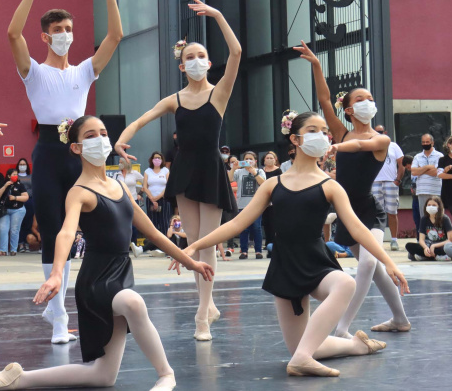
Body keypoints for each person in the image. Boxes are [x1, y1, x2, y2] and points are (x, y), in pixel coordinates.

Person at [0, 116, 212, 391]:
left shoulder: (120, 186)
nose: (100, 139)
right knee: (133, 303)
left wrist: (190, 261)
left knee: (102, 375)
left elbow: (154, 234)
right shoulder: (78, 192)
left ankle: (19, 379)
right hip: (98, 279)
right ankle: (166, 374)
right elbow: (66, 233)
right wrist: (57, 274)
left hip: (121, 272)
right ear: (76, 148)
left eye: (103, 133)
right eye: (90, 136)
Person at [171, 112, 409, 378]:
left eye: (324, 131)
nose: (321, 135)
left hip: (317, 262)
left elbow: (358, 228)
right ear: (295, 139)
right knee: (300, 346)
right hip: (284, 267)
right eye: (312, 129)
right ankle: (356, 345)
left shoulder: (331, 185)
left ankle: (303, 359)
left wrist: (388, 262)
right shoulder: (273, 184)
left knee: (345, 283)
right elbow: (236, 225)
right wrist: (193, 247)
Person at [7, 0, 122, 344]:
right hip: (48, 153)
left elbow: (116, 36)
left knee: (78, 235)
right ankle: (58, 319)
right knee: (54, 228)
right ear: (45, 36)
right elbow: (12, 34)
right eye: (57, 31)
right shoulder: (35, 72)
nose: (65, 36)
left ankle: (74, 307)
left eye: (68, 30)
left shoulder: (85, 71)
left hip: (79, 152)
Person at [115, 0, 240, 341]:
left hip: (211, 169)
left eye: (201, 56)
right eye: (190, 58)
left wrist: (216, 15)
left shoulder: (220, 93)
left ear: (209, 62)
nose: (196, 61)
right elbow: (142, 119)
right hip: (184, 170)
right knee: (195, 240)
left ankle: (204, 311)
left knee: (208, 242)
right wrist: (121, 141)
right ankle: (206, 306)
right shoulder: (176, 99)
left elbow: (238, 53)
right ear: (181, 66)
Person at [293, 41, 411, 338]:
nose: (367, 101)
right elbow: (323, 100)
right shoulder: (341, 129)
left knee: (370, 262)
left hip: (369, 209)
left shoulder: (381, 139)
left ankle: (342, 327)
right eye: (360, 98)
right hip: (346, 211)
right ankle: (400, 319)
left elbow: (361, 145)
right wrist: (317, 66)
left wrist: (337, 145)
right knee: (376, 270)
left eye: (369, 97)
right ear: (348, 109)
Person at [371, 126, 405, 251]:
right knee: (376, 213)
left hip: (391, 182)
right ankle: (377, 241)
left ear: (385, 133)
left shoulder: (394, 146)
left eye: (380, 132)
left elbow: (402, 163)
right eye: (376, 132)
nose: (378, 134)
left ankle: (394, 240)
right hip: (375, 182)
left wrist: (398, 180)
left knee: (392, 212)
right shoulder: (371, 144)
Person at [231, 152, 265, 259]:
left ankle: (258, 251)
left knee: (256, 228)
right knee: (243, 228)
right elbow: (229, 180)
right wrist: (233, 168)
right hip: (242, 204)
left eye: (251, 159)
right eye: (246, 159)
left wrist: (253, 172)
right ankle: (244, 251)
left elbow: (263, 183)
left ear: (255, 161)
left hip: (256, 204)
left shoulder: (259, 171)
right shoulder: (239, 172)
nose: (248, 161)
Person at [404, 196, 452, 261]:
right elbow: (421, 240)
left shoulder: (445, 219)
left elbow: (450, 239)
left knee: (449, 249)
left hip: (440, 246)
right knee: (409, 246)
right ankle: (433, 256)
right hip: (428, 245)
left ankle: (424, 257)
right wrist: (425, 248)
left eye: (434, 205)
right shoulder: (424, 219)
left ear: (439, 207)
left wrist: (434, 246)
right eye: (429, 205)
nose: (431, 207)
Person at [0, 168, 29, 256]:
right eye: (13, 174)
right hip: (4, 210)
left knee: (14, 230)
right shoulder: (3, 184)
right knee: (3, 229)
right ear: (9, 176)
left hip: (17, 210)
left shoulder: (20, 185)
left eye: (16, 174)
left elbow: (26, 197)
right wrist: (5, 186)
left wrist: (15, 198)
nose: (15, 176)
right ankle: (3, 250)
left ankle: (13, 250)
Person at [411, 134, 443, 220]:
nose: (425, 144)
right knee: (424, 217)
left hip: (435, 191)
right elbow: (414, 172)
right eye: (423, 142)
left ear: (432, 143)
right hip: (422, 191)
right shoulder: (417, 157)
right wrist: (428, 167)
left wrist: (420, 170)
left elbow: (436, 172)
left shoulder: (439, 156)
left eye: (427, 142)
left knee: (437, 216)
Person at [143, 152, 172, 235]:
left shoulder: (165, 170)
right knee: (153, 223)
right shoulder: (147, 171)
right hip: (151, 201)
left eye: (159, 158)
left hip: (163, 199)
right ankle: (153, 244)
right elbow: (145, 187)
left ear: (162, 160)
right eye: (155, 158)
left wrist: (158, 197)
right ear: (152, 160)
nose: (157, 159)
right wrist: (152, 199)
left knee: (164, 222)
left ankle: (164, 245)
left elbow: (168, 185)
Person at [15, 157, 34, 252]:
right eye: (20, 164)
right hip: (18, 201)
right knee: (19, 223)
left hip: (30, 201)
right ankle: (20, 243)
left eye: (24, 164)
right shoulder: (15, 176)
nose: (22, 166)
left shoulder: (31, 176)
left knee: (28, 222)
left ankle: (26, 243)